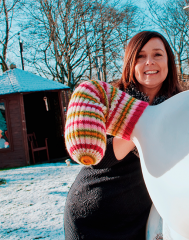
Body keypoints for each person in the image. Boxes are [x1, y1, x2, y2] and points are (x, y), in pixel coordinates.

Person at [64, 31, 181, 240]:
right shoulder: (111, 100)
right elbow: (98, 160)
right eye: (140, 56)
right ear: (130, 63)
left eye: (157, 55)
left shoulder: (181, 106)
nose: (149, 62)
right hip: (93, 213)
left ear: (169, 61)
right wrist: (142, 122)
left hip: (140, 219)